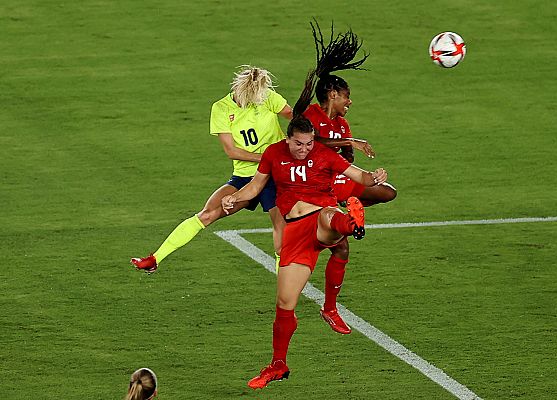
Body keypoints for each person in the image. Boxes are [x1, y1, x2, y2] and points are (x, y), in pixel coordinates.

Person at [220, 24, 386, 389]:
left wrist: (374, 177)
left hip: (320, 217)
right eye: (299, 143)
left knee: (331, 219)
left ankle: (351, 223)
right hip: (295, 234)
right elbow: (256, 187)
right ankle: (278, 365)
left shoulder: (324, 151)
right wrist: (235, 198)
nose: (305, 148)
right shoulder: (274, 154)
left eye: (310, 143)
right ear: (291, 137)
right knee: (285, 302)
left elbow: (358, 175)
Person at [130, 66, 292, 272]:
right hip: (244, 176)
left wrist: (294, 137)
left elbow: (292, 116)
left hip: (273, 177)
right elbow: (232, 151)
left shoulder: (267, 96)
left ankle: (285, 297)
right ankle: (154, 259)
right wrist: (268, 157)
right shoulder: (221, 108)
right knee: (206, 214)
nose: (256, 100)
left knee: (281, 234)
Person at [300, 22, 397, 336]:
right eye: (346, 96)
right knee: (338, 248)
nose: (349, 102)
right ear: (331, 94)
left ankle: (352, 207)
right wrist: (347, 146)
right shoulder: (310, 117)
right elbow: (308, 144)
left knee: (387, 191)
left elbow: (348, 160)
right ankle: (330, 307)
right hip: (312, 187)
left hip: (338, 183)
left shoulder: (342, 124)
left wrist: (369, 174)